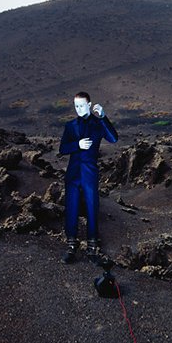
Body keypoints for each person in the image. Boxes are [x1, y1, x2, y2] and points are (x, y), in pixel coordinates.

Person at [59, 91, 118, 264]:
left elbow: (113, 138)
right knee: (71, 208)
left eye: (82, 106)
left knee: (92, 208)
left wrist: (103, 117)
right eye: (76, 106)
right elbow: (62, 149)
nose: (78, 109)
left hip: (90, 173)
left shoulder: (98, 124)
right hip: (73, 174)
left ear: (89, 105)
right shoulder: (70, 126)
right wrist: (77, 145)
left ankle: (92, 248)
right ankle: (71, 246)